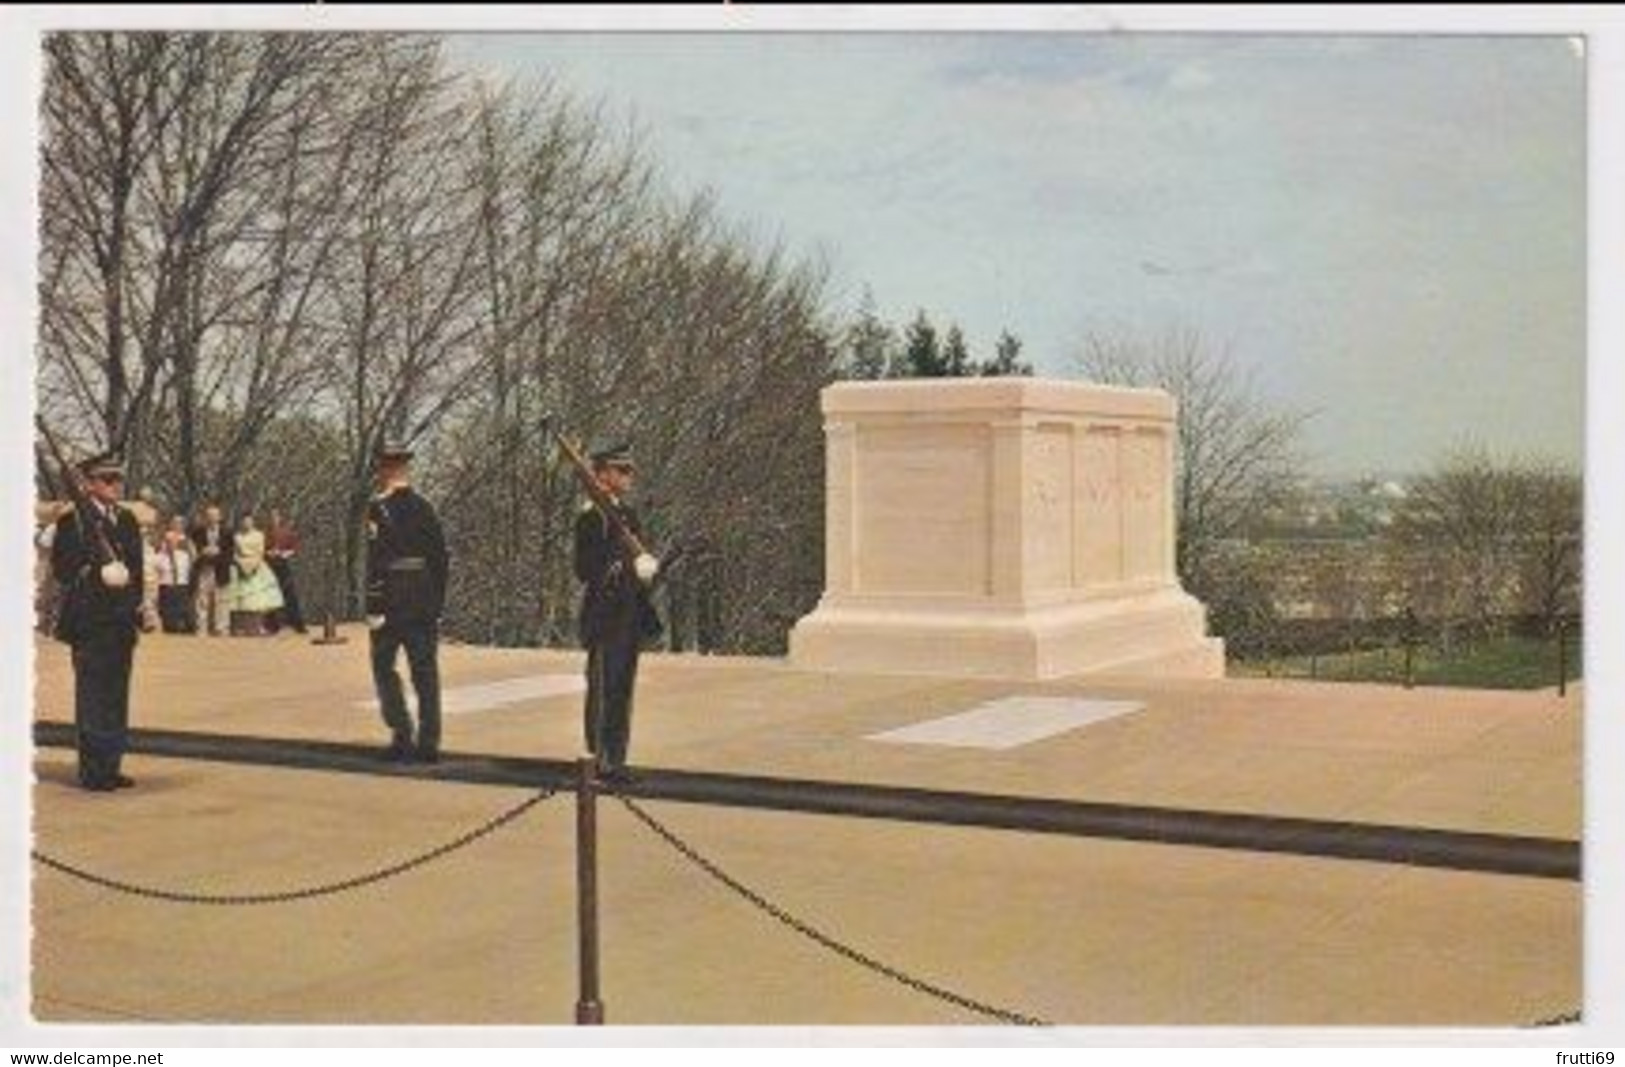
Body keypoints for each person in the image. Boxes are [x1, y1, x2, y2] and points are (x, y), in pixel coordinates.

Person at [49, 451, 145, 792]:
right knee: (92, 696)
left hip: (120, 622)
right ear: (89, 485)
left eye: (118, 479)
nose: (115, 485)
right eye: (107, 479)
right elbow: (62, 570)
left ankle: (111, 763)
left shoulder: (128, 520)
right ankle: (93, 770)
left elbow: (138, 570)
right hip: (90, 622)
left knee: (117, 694)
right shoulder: (72, 521)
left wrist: (137, 606)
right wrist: (95, 570)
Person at [573, 442, 663, 782]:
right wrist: (618, 563)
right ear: (602, 475)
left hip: (629, 613)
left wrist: (643, 569)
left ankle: (617, 756)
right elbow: (584, 568)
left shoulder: (627, 515)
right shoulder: (591, 517)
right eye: (621, 470)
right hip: (604, 614)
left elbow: (635, 560)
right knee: (602, 689)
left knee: (622, 689)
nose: (629, 476)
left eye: (629, 470)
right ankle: (597, 760)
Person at [364, 442, 449, 763]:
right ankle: (429, 742)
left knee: (384, 669)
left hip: (391, 599)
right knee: (425, 672)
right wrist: (437, 604)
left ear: (384, 470)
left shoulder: (377, 508)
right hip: (422, 599)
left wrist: (374, 606)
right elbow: (440, 559)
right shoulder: (425, 507)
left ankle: (402, 733)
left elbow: (376, 560)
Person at [224, 513, 284, 636]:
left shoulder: (259, 535)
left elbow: (260, 551)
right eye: (244, 521)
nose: (246, 523)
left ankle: (259, 626)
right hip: (240, 566)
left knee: (258, 598)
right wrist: (240, 564)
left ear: (253, 522)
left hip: (257, 566)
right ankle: (242, 627)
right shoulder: (237, 536)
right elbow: (235, 552)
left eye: (249, 521)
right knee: (240, 600)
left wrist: (253, 565)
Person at [189, 504, 233, 636]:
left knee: (222, 599)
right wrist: (203, 552)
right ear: (205, 517)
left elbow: (231, 552)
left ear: (220, 517)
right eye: (209, 516)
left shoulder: (227, 532)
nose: (211, 518)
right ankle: (201, 627)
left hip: (221, 569)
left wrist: (218, 552)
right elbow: (193, 549)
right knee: (202, 599)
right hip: (204, 568)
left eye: (214, 516)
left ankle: (221, 627)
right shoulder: (198, 532)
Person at [265, 509, 308, 634]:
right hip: (269, 565)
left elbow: (294, 548)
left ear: (280, 517)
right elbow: (262, 548)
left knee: (290, 594)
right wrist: (268, 553)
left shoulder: (287, 532)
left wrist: (284, 553)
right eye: (271, 516)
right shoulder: (265, 532)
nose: (273, 519)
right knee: (271, 594)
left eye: (275, 516)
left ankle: (297, 623)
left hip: (283, 564)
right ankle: (273, 625)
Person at [155, 516, 195, 633]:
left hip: (182, 586)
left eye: (173, 541)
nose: (170, 543)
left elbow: (193, 564)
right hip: (166, 586)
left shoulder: (185, 555)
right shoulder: (160, 557)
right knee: (168, 617)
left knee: (185, 615)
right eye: (168, 541)